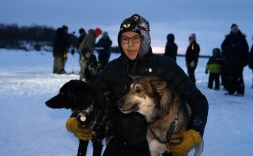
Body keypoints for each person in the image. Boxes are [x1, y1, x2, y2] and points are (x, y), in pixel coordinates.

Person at [69, 14, 207, 156]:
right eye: (125, 39)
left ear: (145, 40)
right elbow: (91, 97)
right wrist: (75, 118)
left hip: (159, 149)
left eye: (136, 38)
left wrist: (195, 131)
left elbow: (198, 100)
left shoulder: (165, 66)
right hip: (118, 147)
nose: (130, 44)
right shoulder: (113, 68)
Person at [221, 23, 249, 96]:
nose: (235, 29)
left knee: (239, 77)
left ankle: (240, 91)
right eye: (234, 28)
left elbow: (246, 49)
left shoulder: (242, 38)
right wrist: (230, 47)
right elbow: (223, 47)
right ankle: (231, 91)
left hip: (239, 62)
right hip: (230, 61)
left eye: (236, 28)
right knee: (231, 77)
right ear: (231, 29)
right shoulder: (228, 38)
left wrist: (246, 60)